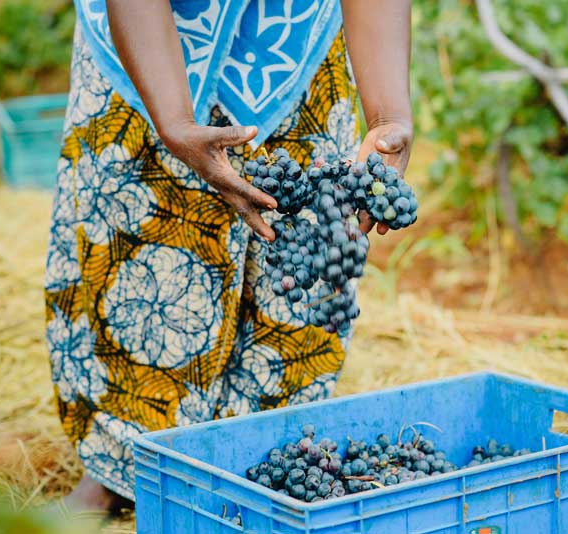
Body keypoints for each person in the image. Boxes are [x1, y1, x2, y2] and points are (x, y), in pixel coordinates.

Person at [44, 0, 412, 514]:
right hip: (142, 42)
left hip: (291, 44)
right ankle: (120, 467)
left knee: (300, 258)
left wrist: (389, 112)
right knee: (141, 248)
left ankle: (269, 467)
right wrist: (172, 122)